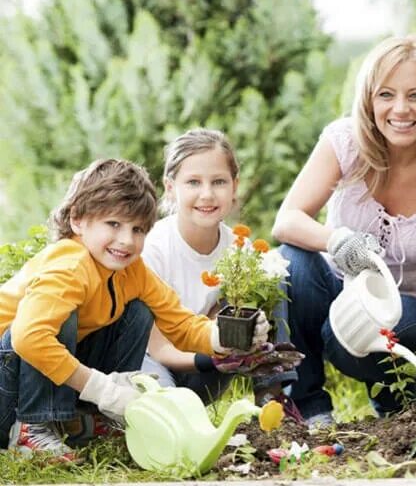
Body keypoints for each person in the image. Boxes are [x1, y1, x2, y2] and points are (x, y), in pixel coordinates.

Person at [272, 35, 416, 427]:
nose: (400, 109)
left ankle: (396, 402)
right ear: (369, 100)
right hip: (337, 284)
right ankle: (310, 410)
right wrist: (338, 240)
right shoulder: (345, 141)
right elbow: (287, 220)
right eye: (386, 94)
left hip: (406, 305)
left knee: (348, 335)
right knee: (290, 262)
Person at [0, 159, 270, 461]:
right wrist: (105, 390)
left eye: (138, 229)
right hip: (7, 384)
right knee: (53, 323)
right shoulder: (69, 264)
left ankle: (88, 419)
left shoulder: (132, 271)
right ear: (77, 220)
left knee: (138, 311)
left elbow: (180, 323)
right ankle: (32, 429)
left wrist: (224, 337)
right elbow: (28, 338)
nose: (126, 241)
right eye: (113, 224)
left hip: (33, 379)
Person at [140, 129, 302, 408]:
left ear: (234, 186)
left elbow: (226, 318)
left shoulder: (239, 251)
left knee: (271, 270)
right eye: (193, 182)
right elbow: (158, 348)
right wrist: (214, 356)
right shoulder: (153, 248)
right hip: (156, 365)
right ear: (170, 187)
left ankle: (272, 397)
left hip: (210, 369)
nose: (207, 194)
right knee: (170, 412)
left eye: (218, 182)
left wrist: (249, 337)